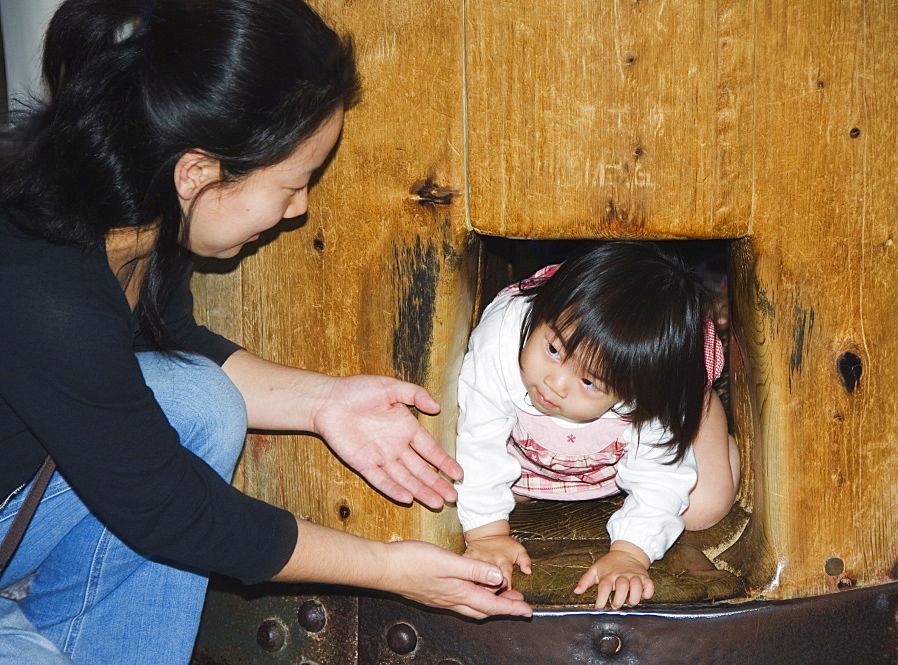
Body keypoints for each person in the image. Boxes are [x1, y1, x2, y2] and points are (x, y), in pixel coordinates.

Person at [0, 0, 531, 663]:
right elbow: (177, 512)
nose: (300, 207)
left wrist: (324, 403)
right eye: (294, 183)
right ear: (198, 172)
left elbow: (176, 351)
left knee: (198, 398)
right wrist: (392, 569)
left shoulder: (139, 214)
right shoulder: (43, 288)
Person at [456, 241, 740, 610]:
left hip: (635, 425)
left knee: (702, 508)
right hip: (538, 447)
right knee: (491, 493)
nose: (554, 384)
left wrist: (631, 553)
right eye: (554, 349)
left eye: (589, 382)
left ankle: (700, 408)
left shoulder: (649, 392)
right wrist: (487, 533)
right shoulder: (503, 338)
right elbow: (479, 438)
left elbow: (660, 478)